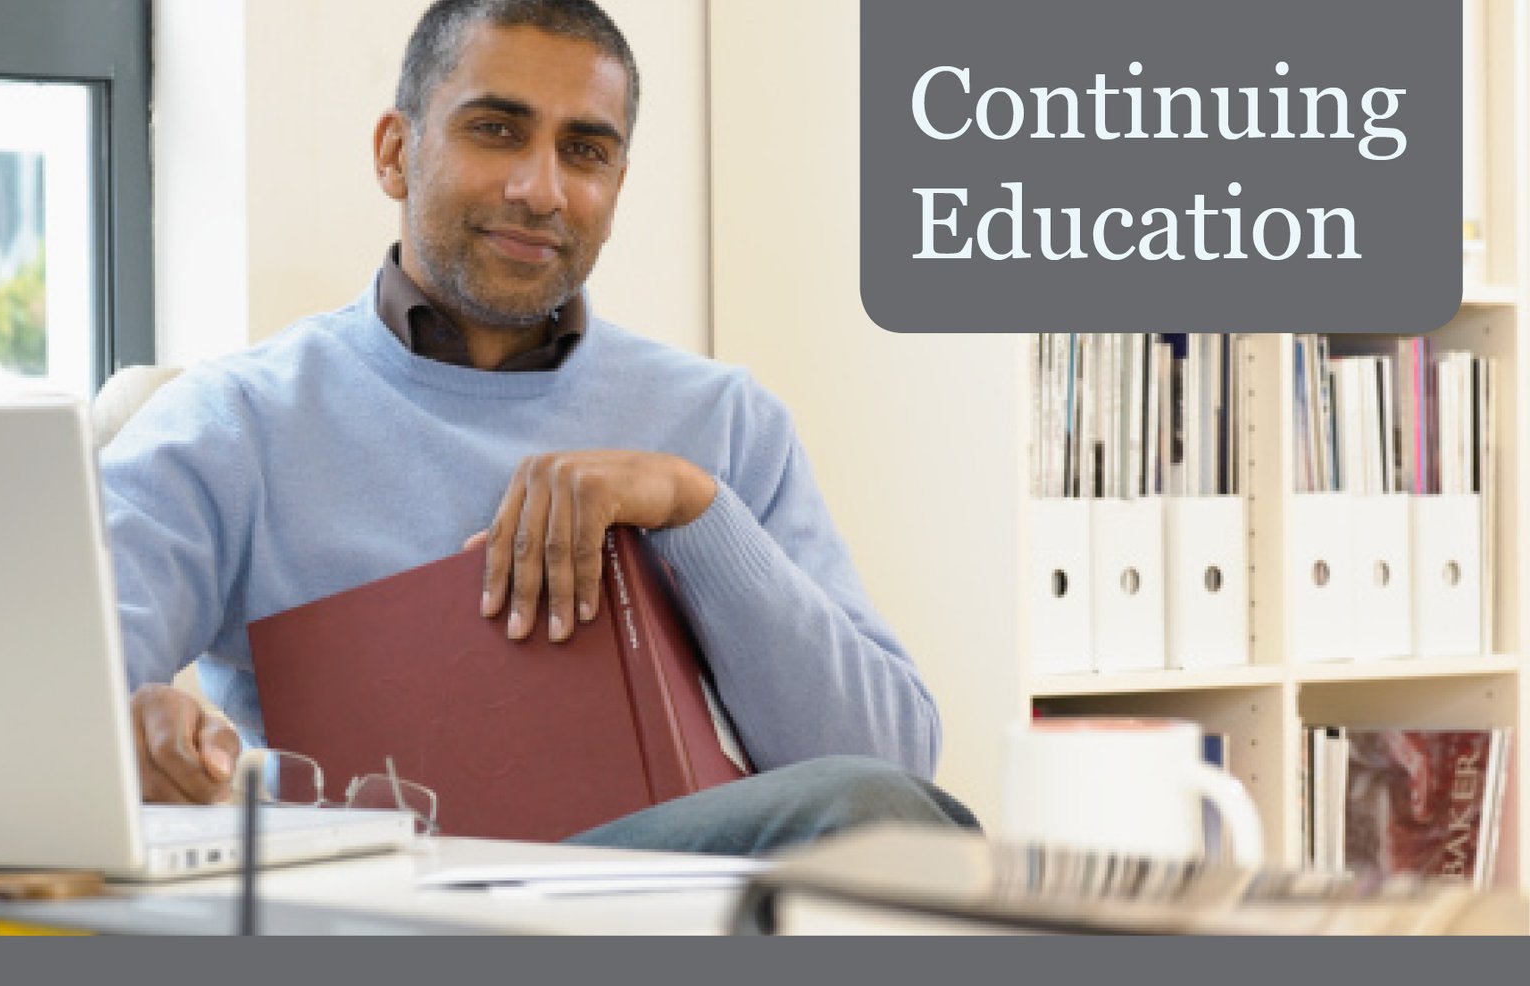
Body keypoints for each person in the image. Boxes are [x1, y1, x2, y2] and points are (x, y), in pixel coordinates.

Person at [104, 0, 977, 855]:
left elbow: (892, 775)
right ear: (395, 152)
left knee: (878, 813)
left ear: (618, 185)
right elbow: (52, 705)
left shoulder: (723, 421)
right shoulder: (232, 425)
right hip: (383, 903)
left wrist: (693, 507)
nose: (541, 189)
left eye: (585, 151)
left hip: (664, 909)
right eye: (496, 130)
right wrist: (136, 730)